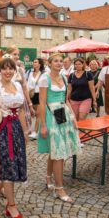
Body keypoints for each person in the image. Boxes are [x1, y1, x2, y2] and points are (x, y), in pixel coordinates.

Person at [0, 57, 28, 218]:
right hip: (2, 131)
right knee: (8, 166)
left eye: (11, 68)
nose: (8, 71)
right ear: (0, 70)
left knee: (13, 164)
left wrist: (24, 131)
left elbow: (21, 110)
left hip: (16, 129)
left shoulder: (17, 85)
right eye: (5, 68)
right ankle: (11, 205)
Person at [38, 53, 80, 203]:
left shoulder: (64, 78)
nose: (59, 63)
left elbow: (66, 100)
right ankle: (59, 188)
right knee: (59, 153)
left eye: (61, 61)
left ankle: (49, 177)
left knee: (57, 150)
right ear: (49, 63)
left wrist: (74, 117)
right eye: (55, 61)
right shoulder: (45, 78)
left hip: (63, 115)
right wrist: (43, 124)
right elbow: (42, 103)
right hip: (51, 115)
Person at [0, 45, 35, 132]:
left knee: (20, 127)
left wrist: (29, 103)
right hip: (5, 104)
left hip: (19, 101)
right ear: (8, 55)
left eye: (18, 54)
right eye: (14, 54)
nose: (16, 56)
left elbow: (24, 87)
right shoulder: (0, 68)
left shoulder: (19, 69)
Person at [27, 58, 45, 140]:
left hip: (40, 94)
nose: (34, 63)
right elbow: (27, 84)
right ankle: (32, 130)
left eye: (35, 62)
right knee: (32, 114)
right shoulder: (30, 73)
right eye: (33, 62)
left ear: (40, 64)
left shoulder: (43, 73)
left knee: (38, 114)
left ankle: (35, 132)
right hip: (31, 94)